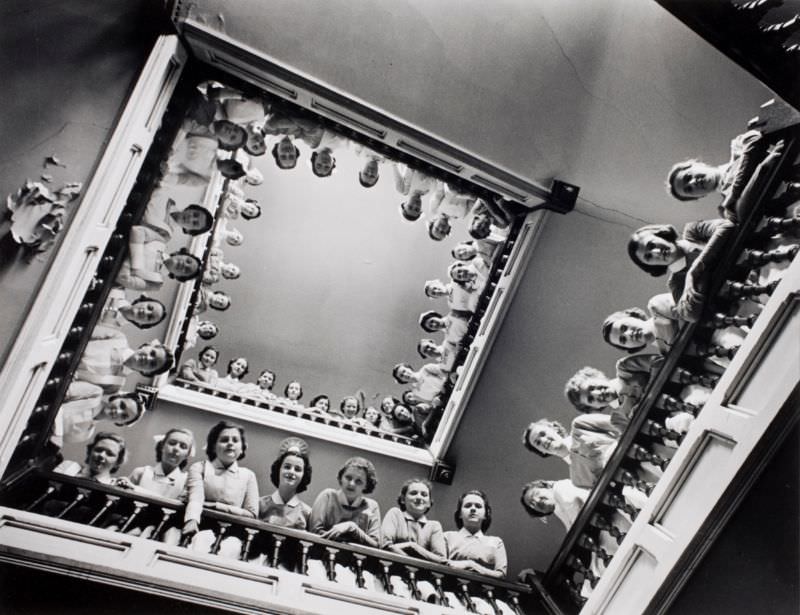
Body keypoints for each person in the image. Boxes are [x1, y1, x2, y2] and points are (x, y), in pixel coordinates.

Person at [181, 421, 258, 556]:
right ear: (213, 446)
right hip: (200, 526)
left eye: (235, 440)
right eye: (224, 440)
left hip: (232, 535)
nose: (230, 443)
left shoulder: (248, 475)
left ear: (242, 448)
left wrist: (216, 506)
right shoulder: (200, 467)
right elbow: (195, 498)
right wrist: (192, 520)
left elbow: (252, 514)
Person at [522, 414, 619, 489]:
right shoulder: (577, 480)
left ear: (554, 428)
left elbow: (622, 421)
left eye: (543, 434)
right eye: (538, 443)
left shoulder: (581, 425)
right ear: (541, 452)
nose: (543, 441)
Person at [308, 456, 381, 547]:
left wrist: (352, 528)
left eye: (358, 481)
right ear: (341, 478)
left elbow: (375, 545)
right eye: (348, 477)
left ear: (366, 485)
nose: (351, 484)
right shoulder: (327, 496)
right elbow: (314, 532)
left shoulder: (372, 506)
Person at [74, 330, 173, 396]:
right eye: (152, 353)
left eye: (153, 364)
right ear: (146, 346)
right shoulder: (118, 338)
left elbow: (80, 390)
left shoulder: (115, 386)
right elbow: (82, 331)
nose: (148, 358)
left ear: (147, 373)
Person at [50, 381, 145, 447]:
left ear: (121, 423)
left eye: (124, 416)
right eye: (122, 405)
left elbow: (56, 439)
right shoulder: (95, 393)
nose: (118, 411)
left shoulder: (86, 433)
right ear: (118, 397)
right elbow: (58, 392)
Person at [117, 227, 202, 291]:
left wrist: (135, 246)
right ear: (181, 254)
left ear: (179, 277)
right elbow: (137, 231)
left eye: (187, 270)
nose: (184, 265)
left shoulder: (156, 283)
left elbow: (122, 278)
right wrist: (136, 265)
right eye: (188, 261)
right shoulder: (161, 242)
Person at [444, 490, 506, 579]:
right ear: (460, 514)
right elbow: (439, 563)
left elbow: (501, 574)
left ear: (485, 514)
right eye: (468, 505)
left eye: (478, 506)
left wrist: (471, 565)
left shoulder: (496, 542)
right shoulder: (447, 537)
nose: (473, 509)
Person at [258, 437, 312, 530]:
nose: (291, 472)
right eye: (287, 467)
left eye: (297, 469)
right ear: (278, 470)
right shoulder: (260, 504)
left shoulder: (307, 513)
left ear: (304, 476)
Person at [99, 287, 167, 330]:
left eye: (149, 317)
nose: (146, 312)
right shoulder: (118, 290)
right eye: (149, 307)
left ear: (142, 324)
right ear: (142, 300)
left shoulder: (112, 329)